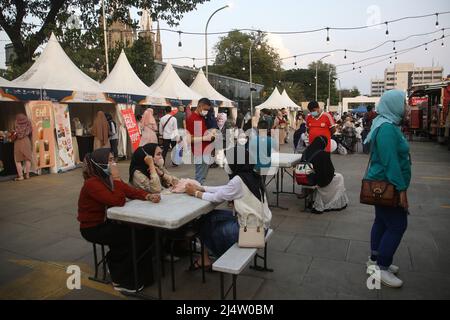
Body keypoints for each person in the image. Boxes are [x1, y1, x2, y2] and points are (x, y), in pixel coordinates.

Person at [77, 148, 161, 293]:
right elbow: (118, 200)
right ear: (99, 163)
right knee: (133, 238)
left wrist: (147, 196)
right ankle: (121, 278)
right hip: (93, 228)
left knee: (145, 231)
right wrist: (116, 178)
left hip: (109, 222)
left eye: (113, 159)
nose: (114, 163)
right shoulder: (92, 183)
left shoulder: (106, 178)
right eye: (109, 160)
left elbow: (129, 191)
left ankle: (137, 273)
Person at [184, 146, 272, 269]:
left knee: (209, 228)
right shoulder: (251, 175)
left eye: (228, 160)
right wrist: (202, 188)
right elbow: (226, 189)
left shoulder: (238, 180)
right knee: (209, 217)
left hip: (252, 232)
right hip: (260, 225)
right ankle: (206, 254)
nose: (226, 164)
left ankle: (215, 256)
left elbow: (217, 197)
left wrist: (195, 193)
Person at [364, 90, 411, 289]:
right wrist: (402, 190)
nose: (408, 107)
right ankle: (380, 267)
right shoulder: (387, 129)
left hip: (382, 184)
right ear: (394, 105)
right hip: (387, 185)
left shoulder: (385, 124)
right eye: (405, 103)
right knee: (397, 225)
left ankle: (375, 260)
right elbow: (390, 162)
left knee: (382, 221)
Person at [302, 135, 349, 214]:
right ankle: (333, 203)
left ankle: (314, 199)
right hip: (317, 179)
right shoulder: (323, 154)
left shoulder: (306, 151)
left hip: (305, 177)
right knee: (340, 177)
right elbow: (327, 172)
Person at [186, 98, 216, 185]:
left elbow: (201, 133)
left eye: (208, 110)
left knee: (202, 176)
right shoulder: (193, 119)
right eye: (205, 109)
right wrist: (205, 138)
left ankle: (197, 191)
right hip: (200, 151)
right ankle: (196, 193)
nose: (206, 111)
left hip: (204, 150)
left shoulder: (201, 117)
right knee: (200, 177)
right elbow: (189, 139)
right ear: (200, 106)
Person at [13, 113, 32, 181]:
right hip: (26, 140)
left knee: (17, 159)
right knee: (28, 158)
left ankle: (21, 176)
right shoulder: (28, 122)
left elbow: (15, 132)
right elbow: (30, 131)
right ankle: (27, 175)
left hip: (18, 141)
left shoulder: (16, 122)